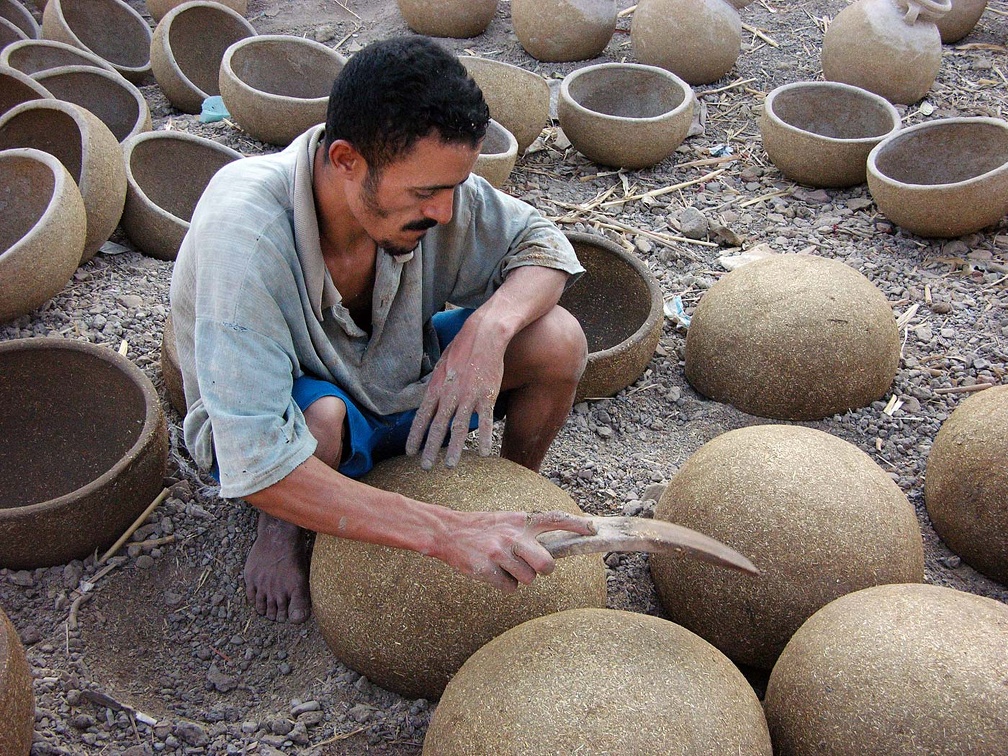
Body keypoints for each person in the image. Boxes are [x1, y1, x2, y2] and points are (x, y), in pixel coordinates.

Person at [169, 36, 594, 624]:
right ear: (346, 161)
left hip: (400, 377)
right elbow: (258, 457)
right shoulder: (246, 237)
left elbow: (545, 246)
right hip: (305, 413)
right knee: (321, 422)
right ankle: (281, 530)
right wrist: (445, 532)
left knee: (558, 339)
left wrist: (489, 329)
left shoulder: (425, 188)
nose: (445, 212)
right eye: (426, 193)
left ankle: (509, 492)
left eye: (453, 188)